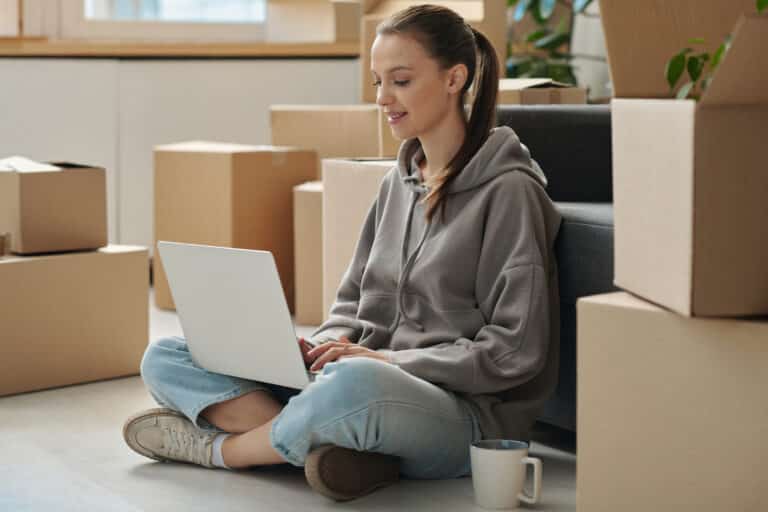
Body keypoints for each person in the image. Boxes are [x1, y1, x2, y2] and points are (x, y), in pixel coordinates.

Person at [123, 4, 562, 502]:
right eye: (377, 82)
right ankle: (331, 444)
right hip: (356, 381)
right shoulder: (396, 184)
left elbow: (514, 352)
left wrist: (388, 360)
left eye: (399, 80)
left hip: (460, 416)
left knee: (355, 386)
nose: (382, 98)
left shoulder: (510, 193)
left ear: (453, 78)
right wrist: (314, 350)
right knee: (165, 355)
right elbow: (351, 303)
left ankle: (226, 451)